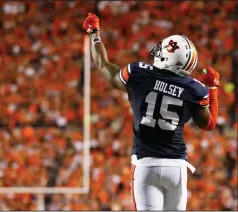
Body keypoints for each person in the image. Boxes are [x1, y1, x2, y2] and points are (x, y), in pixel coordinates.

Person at [83, 13, 220, 210]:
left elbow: (103, 66)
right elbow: (209, 124)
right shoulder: (194, 89)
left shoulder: (139, 73)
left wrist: (94, 33)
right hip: (176, 167)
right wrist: (213, 89)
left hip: (146, 165)